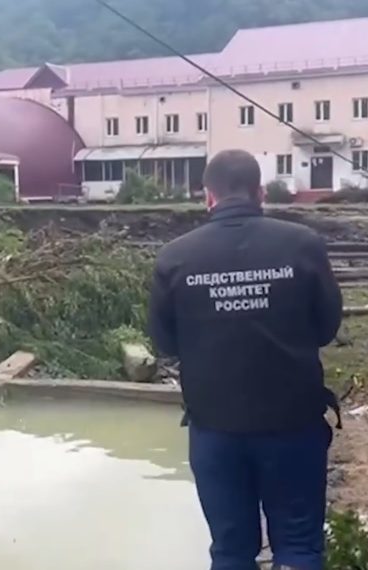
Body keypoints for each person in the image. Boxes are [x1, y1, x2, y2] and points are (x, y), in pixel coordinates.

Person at [148, 149, 343, 570]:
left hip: (216, 431)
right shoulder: (303, 245)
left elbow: (165, 343)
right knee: (298, 548)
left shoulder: (174, 258)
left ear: (207, 196)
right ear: (260, 193)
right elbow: (326, 328)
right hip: (294, 425)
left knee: (232, 552)